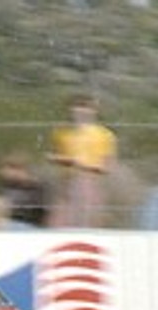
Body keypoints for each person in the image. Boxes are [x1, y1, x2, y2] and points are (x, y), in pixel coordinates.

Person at [47, 93, 117, 228]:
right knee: (57, 224)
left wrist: (80, 165)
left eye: (85, 107)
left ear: (94, 111)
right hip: (65, 184)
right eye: (76, 106)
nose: (80, 110)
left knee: (91, 224)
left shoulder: (105, 135)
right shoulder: (60, 133)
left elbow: (107, 168)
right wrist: (61, 160)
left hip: (91, 184)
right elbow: (52, 156)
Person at [0, 151, 48, 228]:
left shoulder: (36, 187)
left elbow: (42, 214)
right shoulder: (6, 185)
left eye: (8, 168)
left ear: (20, 169)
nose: (2, 172)